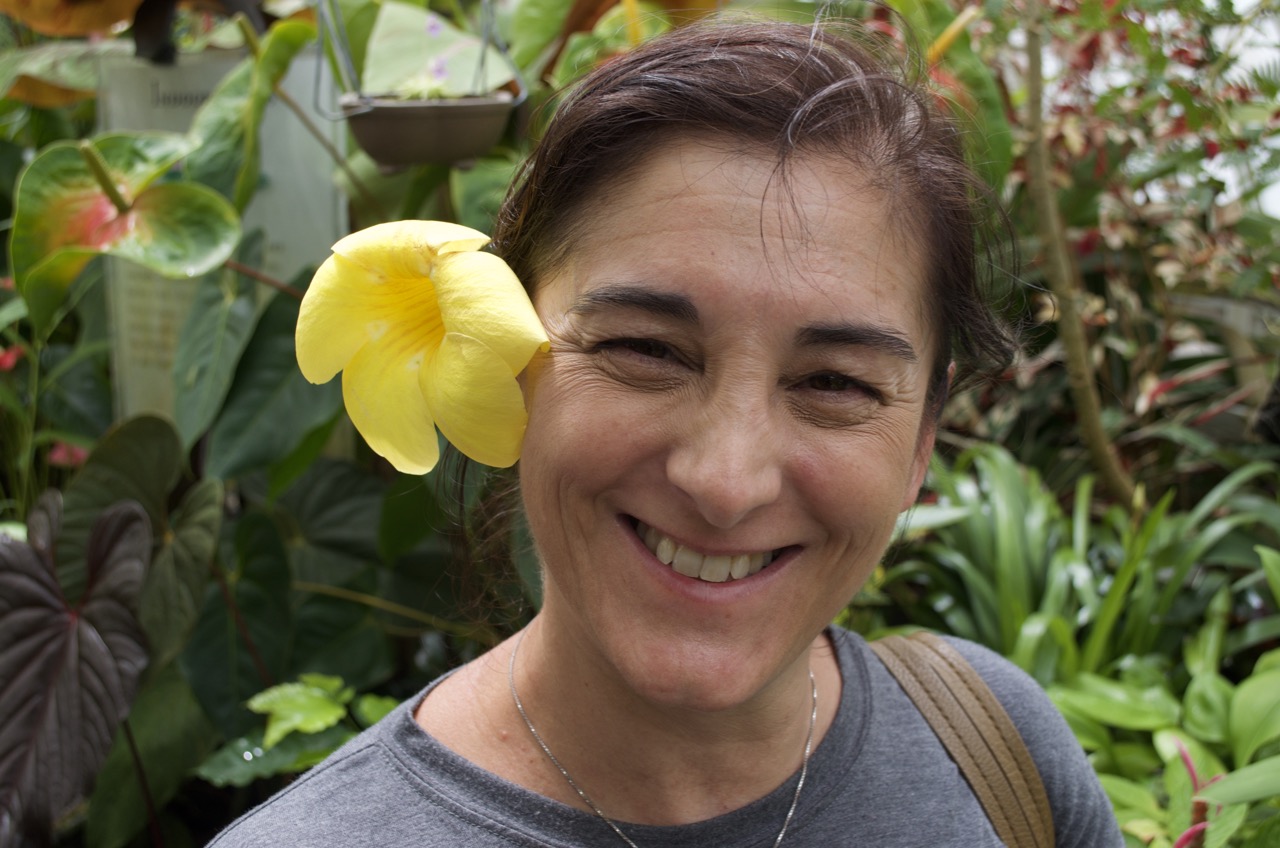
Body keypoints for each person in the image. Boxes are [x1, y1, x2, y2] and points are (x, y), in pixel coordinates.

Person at [212, 17, 1122, 847]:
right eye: (647, 350)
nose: (726, 481)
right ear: (503, 358)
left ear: (925, 434)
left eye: (834, 382)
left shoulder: (1000, 753)